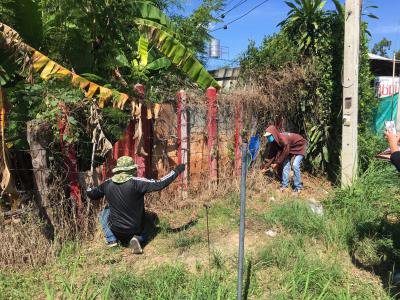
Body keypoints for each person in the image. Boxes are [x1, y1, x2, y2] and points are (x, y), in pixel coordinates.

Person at [87, 156, 185, 254]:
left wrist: (88, 189)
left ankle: (111, 239)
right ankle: (138, 238)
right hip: (135, 228)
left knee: (104, 211)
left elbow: (92, 194)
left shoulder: (107, 184)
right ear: (131, 169)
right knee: (147, 227)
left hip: (116, 229)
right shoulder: (137, 182)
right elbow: (160, 183)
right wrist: (177, 170)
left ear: (117, 170)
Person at [262, 125, 307, 193]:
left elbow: (285, 152)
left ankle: (298, 187)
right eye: (267, 137)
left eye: (269, 136)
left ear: (274, 134)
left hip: (300, 146)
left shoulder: (283, 140)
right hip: (290, 148)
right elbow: (272, 155)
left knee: (295, 165)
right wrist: (265, 167)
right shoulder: (274, 142)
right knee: (285, 166)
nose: (268, 138)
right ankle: (284, 186)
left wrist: (277, 163)